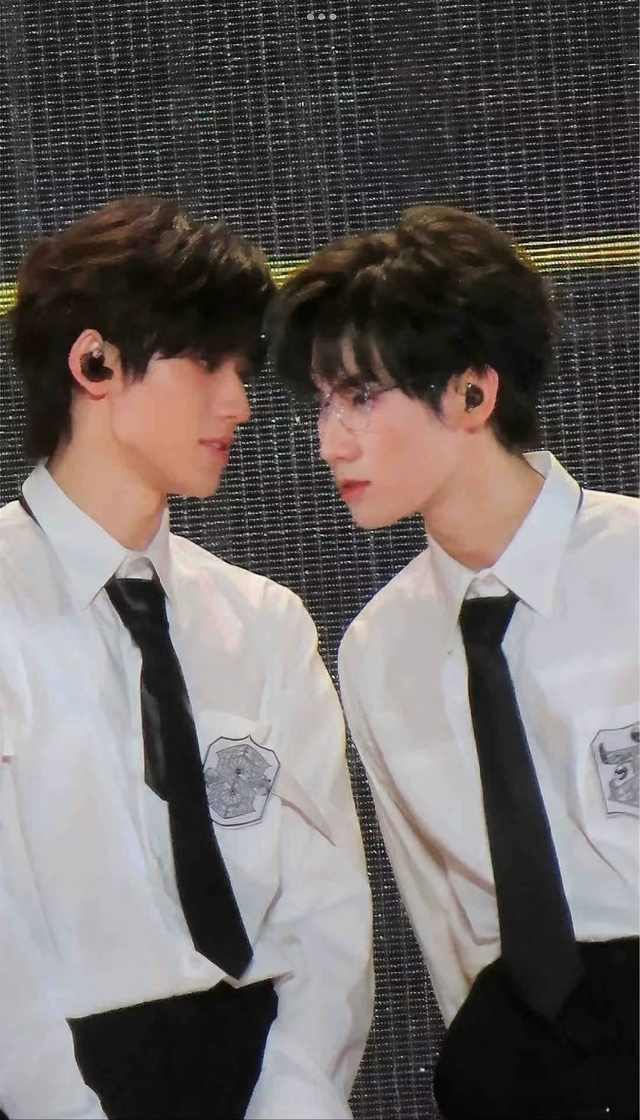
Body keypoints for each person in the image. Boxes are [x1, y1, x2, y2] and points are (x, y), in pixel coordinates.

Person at [0, 196, 373, 1120]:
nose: (238, 404)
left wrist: (296, 1100)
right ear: (94, 362)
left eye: (241, 370)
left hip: (265, 1076)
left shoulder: (265, 621)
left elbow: (327, 914)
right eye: (208, 363)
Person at [266, 204, 640, 1119]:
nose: (331, 441)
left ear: (474, 394)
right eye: (322, 403)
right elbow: (441, 925)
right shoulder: (377, 647)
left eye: (363, 397)